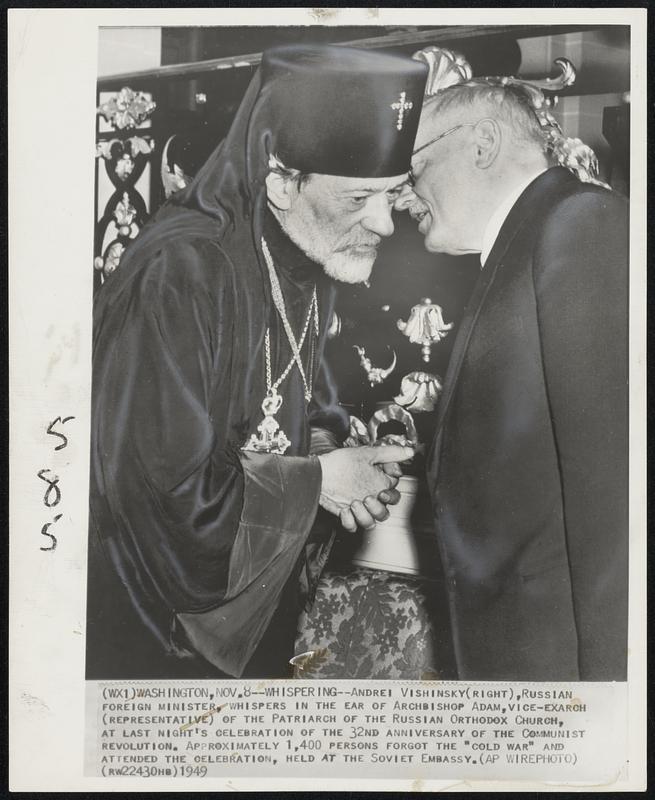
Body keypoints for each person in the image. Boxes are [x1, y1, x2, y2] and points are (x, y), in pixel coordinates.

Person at [87, 44, 428, 680]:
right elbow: (163, 491)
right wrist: (319, 482)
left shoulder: (306, 250)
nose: (383, 223)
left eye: (393, 194)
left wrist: (332, 456)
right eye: (359, 198)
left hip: (260, 615)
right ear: (279, 182)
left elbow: (303, 398)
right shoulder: (181, 272)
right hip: (159, 639)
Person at [396, 49, 628, 681]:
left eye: (412, 166)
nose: (401, 195)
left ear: (482, 145)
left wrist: (611, 705)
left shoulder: (578, 224)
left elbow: (615, 509)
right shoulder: (517, 250)